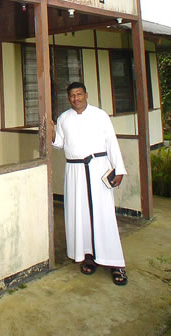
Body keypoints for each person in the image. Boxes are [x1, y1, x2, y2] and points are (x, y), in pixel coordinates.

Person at [52, 81, 128, 286]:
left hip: (98, 168)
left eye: (79, 94)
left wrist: (119, 169)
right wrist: (49, 131)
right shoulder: (63, 119)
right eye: (72, 96)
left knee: (104, 215)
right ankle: (88, 256)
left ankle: (115, 263)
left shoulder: (100, 115)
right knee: (80, 215)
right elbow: (58, 144)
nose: (76, 98)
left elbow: (112, 142)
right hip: (74, 171)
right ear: (68, 98)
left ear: (86, 94)